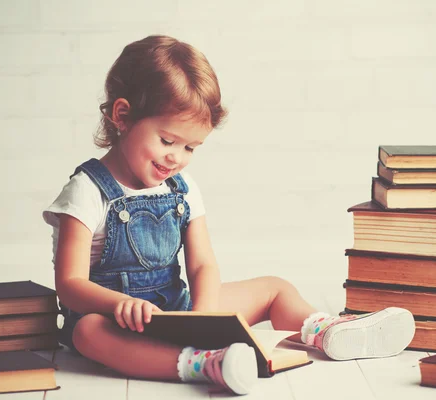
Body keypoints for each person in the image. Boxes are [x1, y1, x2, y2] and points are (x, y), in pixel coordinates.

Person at [43, 35, 415, 396]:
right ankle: (203, 364)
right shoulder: (87, 191)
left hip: (178, 310)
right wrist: (118, 305)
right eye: (167, 140)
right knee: (87, 333)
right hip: (116, 320)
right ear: (122, 116)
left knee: (274, 288)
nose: (177, 157)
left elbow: (203, 264)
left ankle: (325, 330)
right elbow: (70, 283)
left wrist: (201, 319)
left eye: (191, 146)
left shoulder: (181, 188)